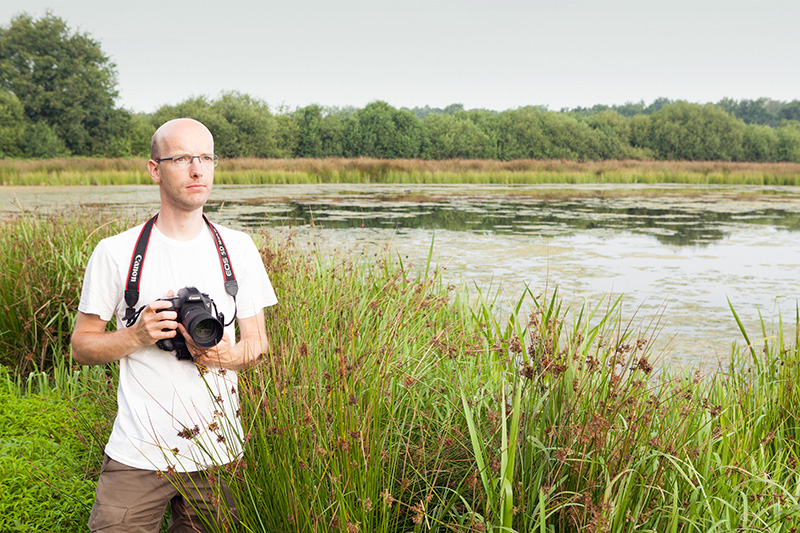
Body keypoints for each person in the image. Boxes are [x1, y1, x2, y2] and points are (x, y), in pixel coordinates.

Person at [71, 118, 277, 532]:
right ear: (154, 169)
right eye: (182, 158)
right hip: (138, 454)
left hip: (218, 453)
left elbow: (257, 344)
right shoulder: (115, 252)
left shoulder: (239, 248)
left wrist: (225, 355)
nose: (197, 169)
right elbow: (81, 346)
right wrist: (136, 335)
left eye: (205, 157)